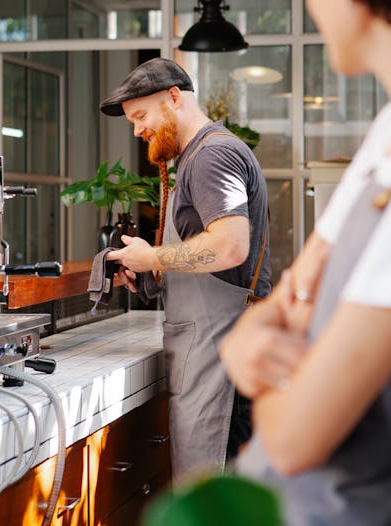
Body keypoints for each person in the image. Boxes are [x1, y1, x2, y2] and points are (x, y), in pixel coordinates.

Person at [219, 0, 391, 525]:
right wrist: (258, 337)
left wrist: (262, 355)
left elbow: (296, 436)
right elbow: (283, 305)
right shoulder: (389, 132)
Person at [99, 57, 271, 480]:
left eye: (140, 116)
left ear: (174, 98)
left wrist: (153, 256)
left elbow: (230, 247)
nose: (138, 131)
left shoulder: (212, 156)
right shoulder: (196, 155)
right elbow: (211, 260)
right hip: (211, 356)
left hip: (225, 366)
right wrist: (148, 274)